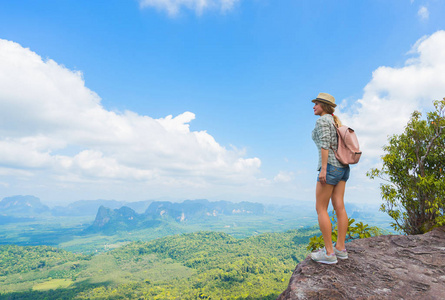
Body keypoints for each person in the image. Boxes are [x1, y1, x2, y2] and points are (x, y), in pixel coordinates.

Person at [310, 92, 349, 264]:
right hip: (343, 168)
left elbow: (324, 145)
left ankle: (329, 253)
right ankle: (341, 248)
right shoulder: (334, 122)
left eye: (316, 104)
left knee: (321, 208)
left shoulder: (322, 121)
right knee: (339, 206)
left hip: (331, 167)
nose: (313, 106)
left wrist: (323, 170)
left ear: (323, 106)